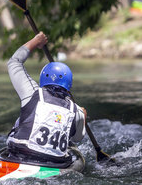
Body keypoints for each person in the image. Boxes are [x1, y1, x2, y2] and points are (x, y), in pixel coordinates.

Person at [5, 32, 87, 164]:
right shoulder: (76, 110)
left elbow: (14, 61)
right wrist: (82, 118)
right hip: (54, 161)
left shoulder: (32, 93)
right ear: (69, 84)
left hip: (21, 154)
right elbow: (77, 139)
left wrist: (35, 41)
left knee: (24, 115)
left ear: (43, 78)